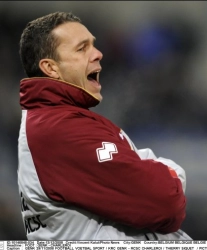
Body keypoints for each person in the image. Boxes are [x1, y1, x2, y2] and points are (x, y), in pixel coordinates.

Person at [17, 11, 191, 240]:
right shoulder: (58, 128)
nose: (98, 54)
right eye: (82, 48)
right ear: (51, 68)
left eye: (93, 45)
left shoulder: (58, 119)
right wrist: (170, 174)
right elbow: (164, 200)